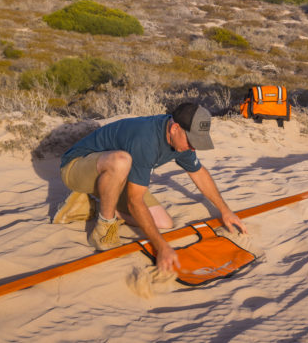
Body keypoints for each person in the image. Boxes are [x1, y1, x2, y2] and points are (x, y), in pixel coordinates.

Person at [53, 102, 247, 272]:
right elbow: (134, 201)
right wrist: (161, 247)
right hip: (76, 168)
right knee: (121, 161)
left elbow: (199, 173)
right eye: (191, 141)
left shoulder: (181, 142)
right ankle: (104, 229)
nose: (193, 147)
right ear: (175, 128)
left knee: (163, 223)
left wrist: (225, 210)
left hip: (112, 177)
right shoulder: (146, 140)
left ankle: (93, 203)